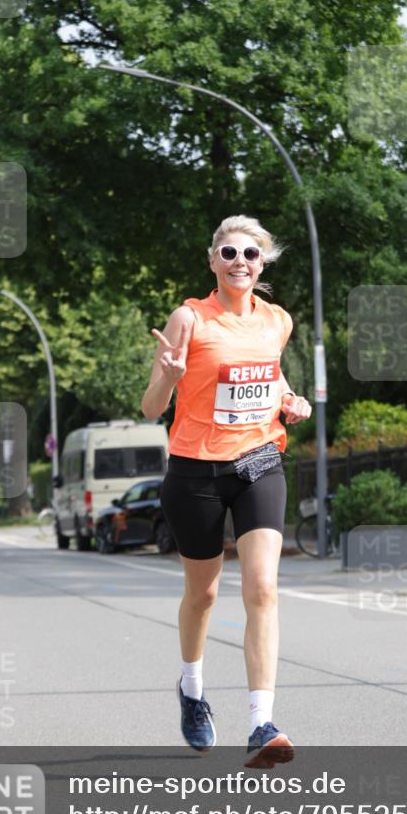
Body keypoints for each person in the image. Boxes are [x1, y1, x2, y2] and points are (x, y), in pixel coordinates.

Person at [141, 215, 312, 769]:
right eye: (230, 253)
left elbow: (271, 374)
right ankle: (192, 687)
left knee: (262, 587)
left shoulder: (277, 321)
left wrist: (292, 400)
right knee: (205, 595)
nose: (241, 262)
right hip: (195, 471)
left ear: (262, 266)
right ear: (213, 260)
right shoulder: (190, 318)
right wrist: (168, 373)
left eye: (251, 255)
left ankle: (262, 722)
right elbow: (150, 408)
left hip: (260, 460)